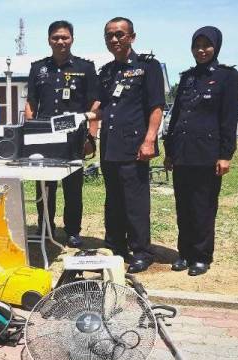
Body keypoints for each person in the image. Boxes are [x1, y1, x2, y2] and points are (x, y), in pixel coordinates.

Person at [163, 26, 238, 276]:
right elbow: (176, 117)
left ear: (216, 46)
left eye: (206, 45)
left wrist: (226, 154)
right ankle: (184, 253)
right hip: (183, 152)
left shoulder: (227, 77)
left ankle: (201, 256)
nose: (201, 50)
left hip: (207, 154)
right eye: (197, 45)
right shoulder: (187, 77)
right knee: (183, 206)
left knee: (203, 207)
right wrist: (169, 150)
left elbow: (228, 119)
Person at [96, 17, 165, 273]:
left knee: (135, 202)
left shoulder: (148, 67)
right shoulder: (106, 72)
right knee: (113, 200)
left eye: (119, 34)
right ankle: (115, 247)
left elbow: (157, 106)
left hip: (135, 147)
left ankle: (142, 251)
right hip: (110, 147)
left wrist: (149, 140)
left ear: (132, 37)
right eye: (109, 35)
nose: (114, 39)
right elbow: (100, 108)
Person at [25, 20, 98, 248]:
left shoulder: (85, 68)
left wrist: (91, 137)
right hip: (44, 137)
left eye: (64, 37)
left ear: (72, 39)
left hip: (73, 138)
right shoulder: (38, 68)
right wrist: (30, 131)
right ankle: (45, 226)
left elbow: (94, 103)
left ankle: (73, 231)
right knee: (44, 187)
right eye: (56, 37)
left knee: (73, 188)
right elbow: (31, 102)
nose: (60, 41)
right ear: (49, 40)